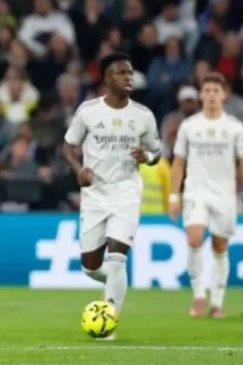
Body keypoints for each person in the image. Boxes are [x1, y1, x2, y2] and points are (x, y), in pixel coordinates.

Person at [63, 52, 161, 339]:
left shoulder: (143, 115)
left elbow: (157, 151)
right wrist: (78, 169)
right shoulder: (88, 111)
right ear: (106, 78)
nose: (128, 77)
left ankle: (109, 319)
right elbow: (69, 146)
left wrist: (148, 157)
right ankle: (116, 284)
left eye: (130, 73)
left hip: (127, 192)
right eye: (121, 73)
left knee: (117, 258)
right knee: (91, 267)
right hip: (94, 195)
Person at [168, 72, 243, 318]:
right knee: (194, 238)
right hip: (196, 190)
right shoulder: (189, 126)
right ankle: (199, 295)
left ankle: (217, 302)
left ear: (224, 95)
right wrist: (174, 196)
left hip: (224, 195)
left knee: (220, 246)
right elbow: (178, 163)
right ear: (201, 95)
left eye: (215, 91)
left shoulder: (234, 127)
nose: (211, 95)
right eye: (206, 90)